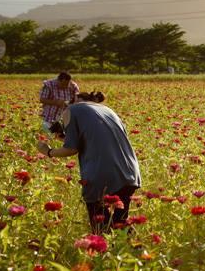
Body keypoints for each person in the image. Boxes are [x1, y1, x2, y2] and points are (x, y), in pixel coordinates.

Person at [36, 91, 141, 233]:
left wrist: (48, 152)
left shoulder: (71, 110)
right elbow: (97, 140)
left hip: (102, 173)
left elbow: (71, 149)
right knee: (120, 224)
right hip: (130, 171)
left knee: (101, 227)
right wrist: (65, 138)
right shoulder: (107, 110)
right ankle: (135, 251)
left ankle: (105, 252)